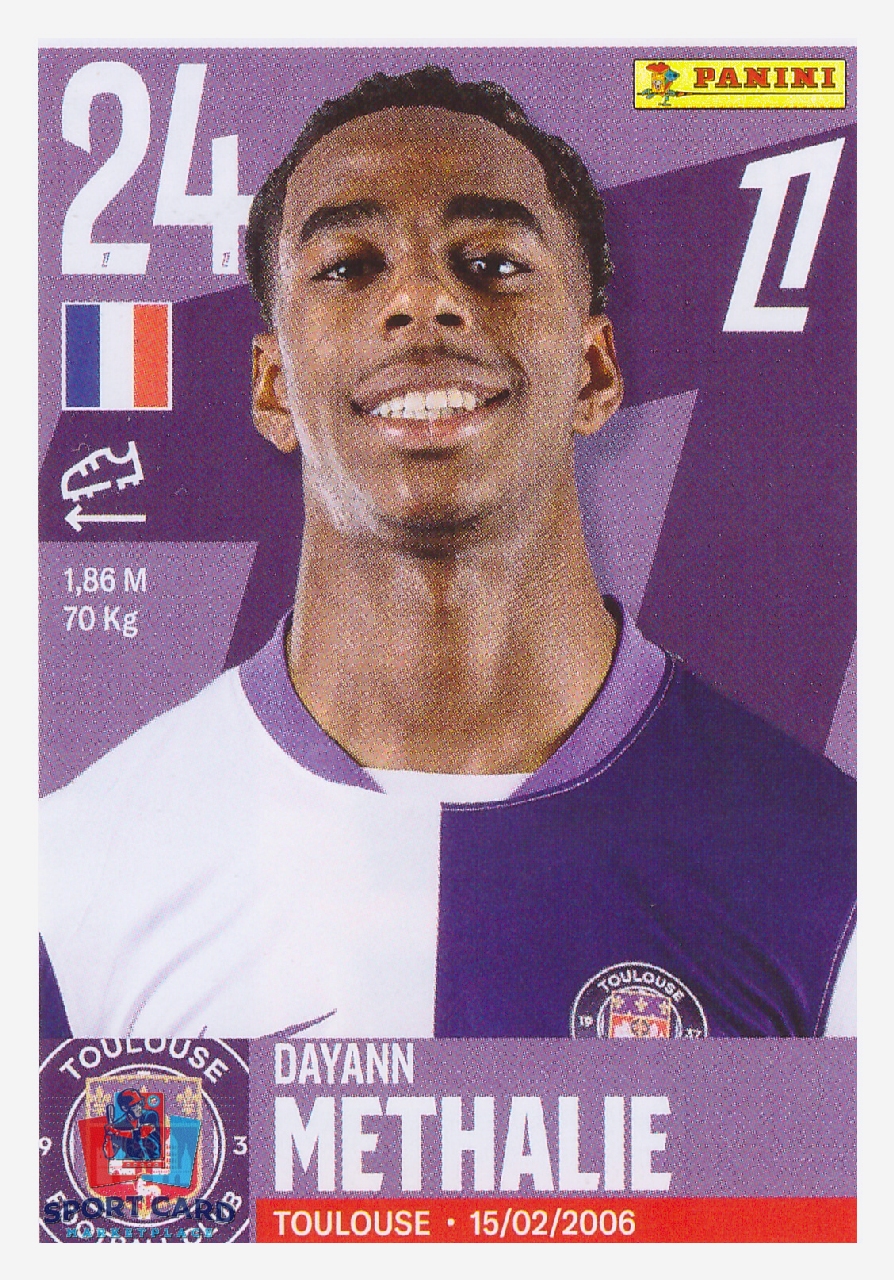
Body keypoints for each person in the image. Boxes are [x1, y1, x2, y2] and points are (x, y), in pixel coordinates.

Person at [40, 67, 855, 1040]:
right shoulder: (69, 881)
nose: (423, 297)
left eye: (493, 262)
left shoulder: (838, 876)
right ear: (271, 388)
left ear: (594, 371)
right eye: (348, 264)